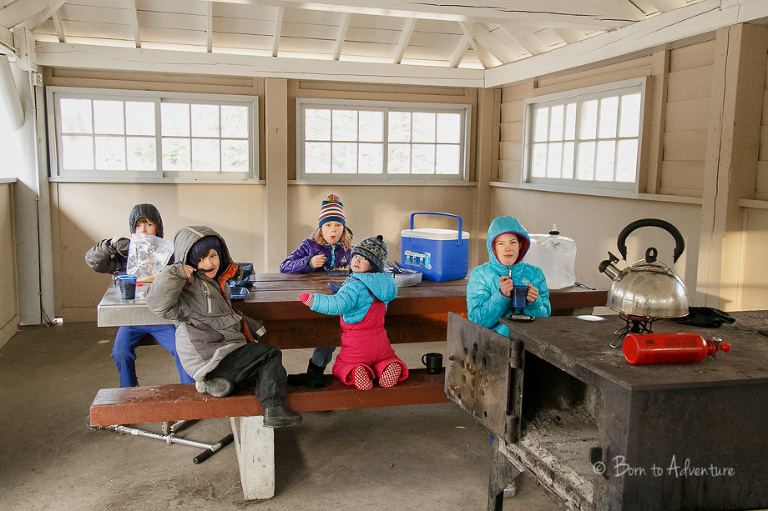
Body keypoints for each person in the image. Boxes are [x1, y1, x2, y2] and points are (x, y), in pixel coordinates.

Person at [146, 225, 302, 428]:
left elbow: (228, 314)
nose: (209, 263)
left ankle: (218, 383)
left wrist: (255, 326)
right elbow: (157, 303)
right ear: (189, 262)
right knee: (270, 355)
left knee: (260, 366)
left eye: (213, 255)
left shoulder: (216, 283)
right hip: (210, 356)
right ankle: (273, 409)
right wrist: (175, 272)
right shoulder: (185, 288)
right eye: (200, 258)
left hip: (222, 352)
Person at [84, 203, 193, 388]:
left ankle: (190, 394)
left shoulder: (169, 255)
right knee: (120, 352)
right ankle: (128, 391)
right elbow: (93, 261)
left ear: (157, 227)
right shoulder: (123, 255)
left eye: (149, 224)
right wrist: (110, 244)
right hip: (132, 318)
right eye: (138, 225)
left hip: (162, 317)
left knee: (181, 348)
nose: (143, 230)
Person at [298, 235, 408, 391]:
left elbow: (338, 305)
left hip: (358, 343)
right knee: (385, 358)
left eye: (363, 259)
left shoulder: (355, 285)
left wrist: (313, 301)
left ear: (374, 264)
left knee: (345, 364)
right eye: (355, 256)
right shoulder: (386, 283)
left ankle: (358, 371)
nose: (356, 260)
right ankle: (389, 367)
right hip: (380, 341)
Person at [280, 194, 354, 389]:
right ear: (321, 227)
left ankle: (316, 372)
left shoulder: (348, 248)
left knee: (331, 337)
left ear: (343, 228)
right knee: (318, 334)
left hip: (339, 302)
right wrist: (308, 263)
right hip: (311, 300)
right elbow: (285, 266)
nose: (333, 230)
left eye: (338, 225)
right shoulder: (309, 245)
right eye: (328, 225)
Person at [467, 215, 551, 337]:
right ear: (493, 248)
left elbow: (545, 320)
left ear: (521, 245)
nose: (507, 248)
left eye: (512, 242)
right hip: (493, 343)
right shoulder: (480, 275)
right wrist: (501, 296)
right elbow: (477, 320)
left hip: (530, 343)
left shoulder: (535, 274)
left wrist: (535, 303)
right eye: (501, 243)